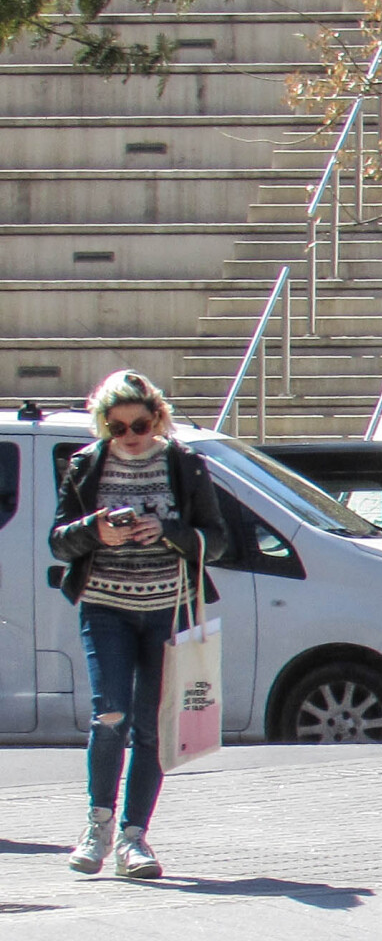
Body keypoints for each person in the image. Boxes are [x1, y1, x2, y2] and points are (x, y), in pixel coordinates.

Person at [50, 369, 228, 880]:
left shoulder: (184, 464)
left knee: (153, 725)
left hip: (167, 610)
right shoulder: (87, 464)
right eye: (118, 427)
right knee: (110, 714)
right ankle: (97, 825)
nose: (130, 436)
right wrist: (95, 530)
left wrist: (167, 530)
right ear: (104, 426)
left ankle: (134, 838)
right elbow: (60, 541)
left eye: (140, 424)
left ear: (158, 417)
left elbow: (214, 541)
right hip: (106, 605)